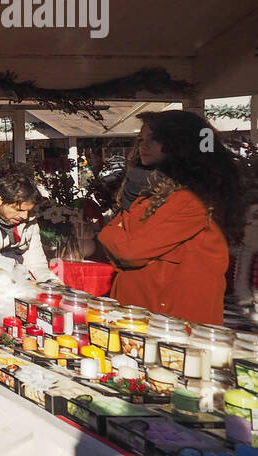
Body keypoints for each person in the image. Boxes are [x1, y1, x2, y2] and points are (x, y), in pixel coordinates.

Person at [98, 110, 243, 325]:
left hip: (170, 321)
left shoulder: (193, 196)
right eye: (141, 139)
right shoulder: (148, 188)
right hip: (140, 315)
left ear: (181, 143)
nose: (143, 146)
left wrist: (110, 229)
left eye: (154, 139)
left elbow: (131, 252)